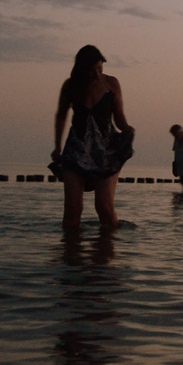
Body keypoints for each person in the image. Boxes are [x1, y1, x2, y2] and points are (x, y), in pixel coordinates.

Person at [50, 45, 134, 229]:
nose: (97, 73)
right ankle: (71, 254)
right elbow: (61, 116)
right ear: (81, 69)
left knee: (104, 207)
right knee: (72, 209)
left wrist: (127, 129)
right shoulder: (70, 86)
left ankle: (106, 252)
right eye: (92, 70)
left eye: (100, 68)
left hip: (106, 151)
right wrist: (57, 147)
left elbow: (118, 115)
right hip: (76, 149)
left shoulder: (112, 84)